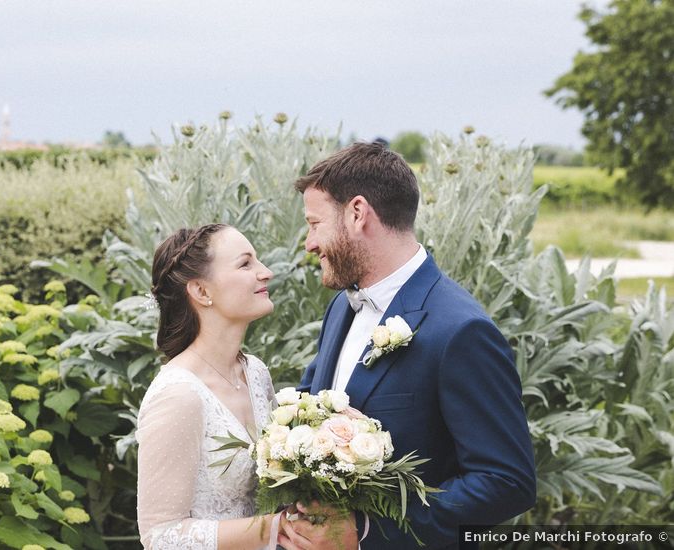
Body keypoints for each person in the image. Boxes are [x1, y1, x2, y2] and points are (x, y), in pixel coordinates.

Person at [280, 142, 536, 549]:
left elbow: (506, 482)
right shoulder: (341, 309)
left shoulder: (460, 331)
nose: (309, 243)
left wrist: (366, 530)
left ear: (358, 213)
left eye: (314, 223)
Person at [136, 224, 287, 549]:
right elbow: (159, 536)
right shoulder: (179, 395)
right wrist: (275, 528)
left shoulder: (256, 374)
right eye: (246, 264)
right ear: (202, 292)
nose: (266, 273)